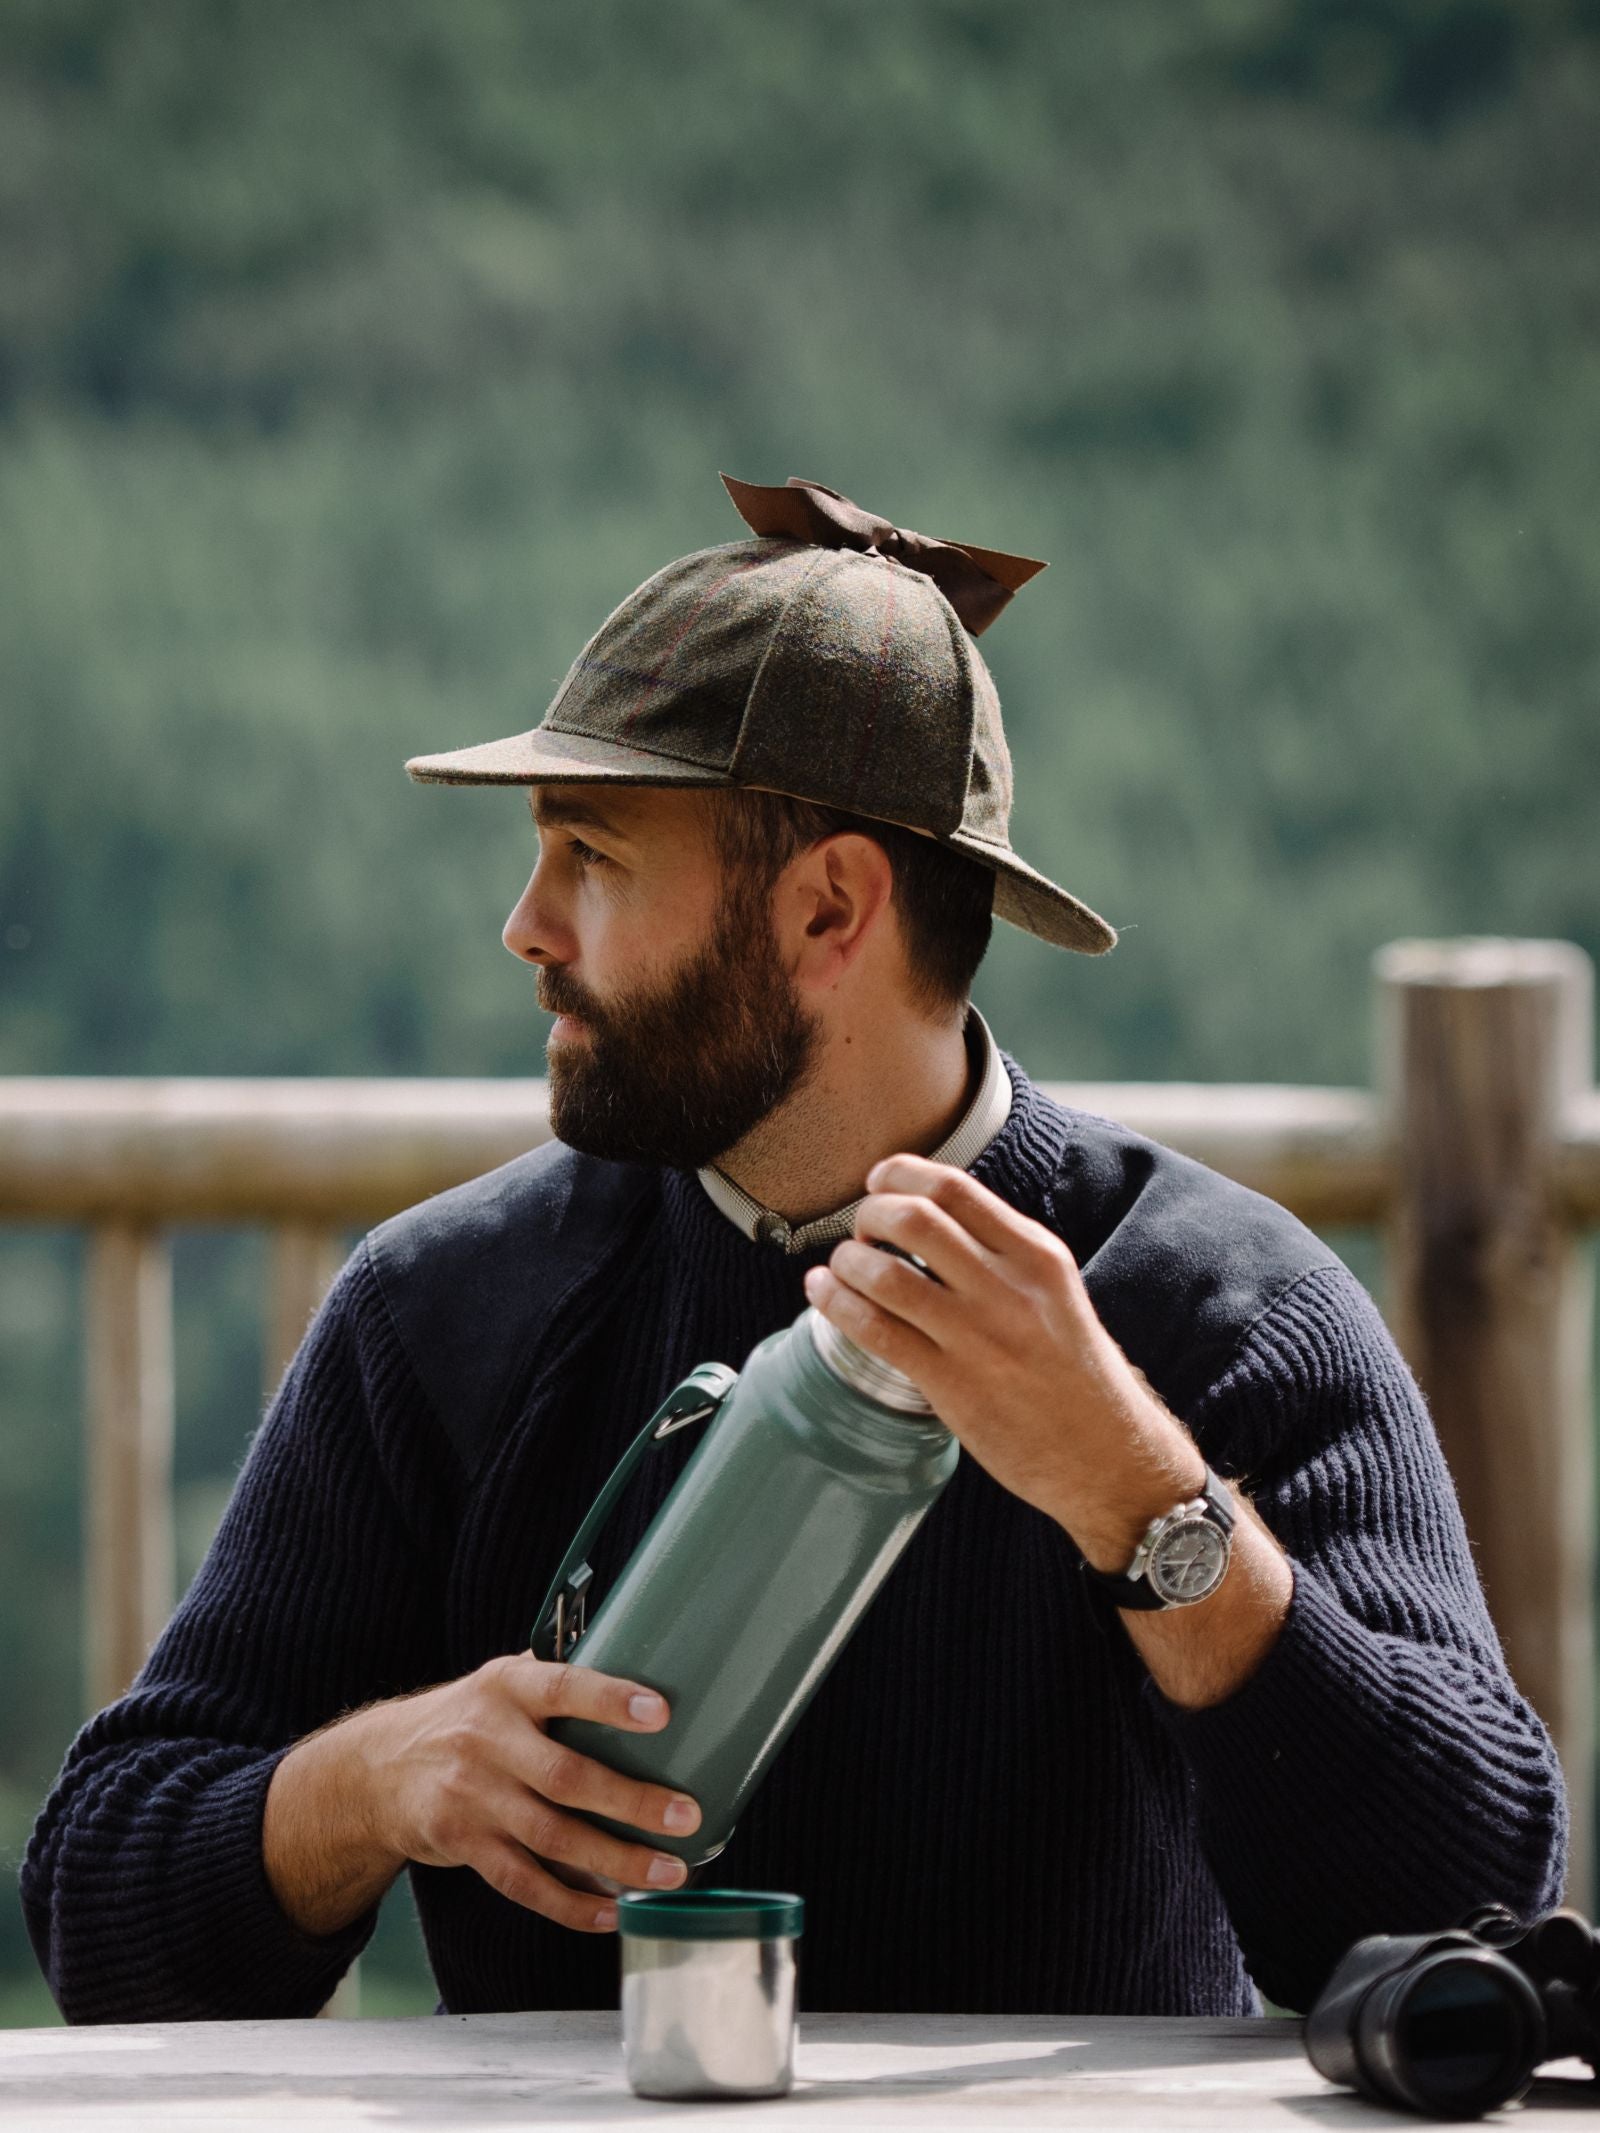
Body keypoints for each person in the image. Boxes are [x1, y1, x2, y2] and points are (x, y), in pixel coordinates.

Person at [23, 473, 1565, 2025]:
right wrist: (373, 1781)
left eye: (594, 856)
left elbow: (1475, 1911)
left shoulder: (1232, 1311)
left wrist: (1140, 1497)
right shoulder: (443, 1309)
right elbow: (99, 1918)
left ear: (830, 909)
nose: (525, 925)